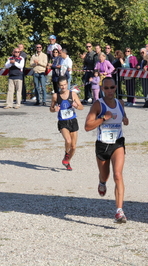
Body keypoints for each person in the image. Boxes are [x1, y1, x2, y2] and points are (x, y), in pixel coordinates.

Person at [84, 77, 129, 223]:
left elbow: (124, 116)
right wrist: (103, 118)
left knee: (118, 175)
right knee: (105, 176)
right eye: (106, 88)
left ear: (116, 88)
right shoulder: (98, 105)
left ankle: (119, 211)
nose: (110, 91)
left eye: (112, 87)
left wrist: (125, 119)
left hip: (117, 143)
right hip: (102, 144)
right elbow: (87, 126)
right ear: (102, 89)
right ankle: (102, 182)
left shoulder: (120, 103)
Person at [50, 76, 83, 171]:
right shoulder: (55, 96)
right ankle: (66, 153)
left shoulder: (73, 95)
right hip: (63, 122)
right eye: (61, 85)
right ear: (58, 86)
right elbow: (51, 109)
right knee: (68, 141)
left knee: (73, 147)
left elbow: (81, 107)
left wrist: (76, 106)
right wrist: (54, 109)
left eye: (65, 85)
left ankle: (67, 160)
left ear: (67, 84)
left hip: (73, 121)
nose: (63, 87)